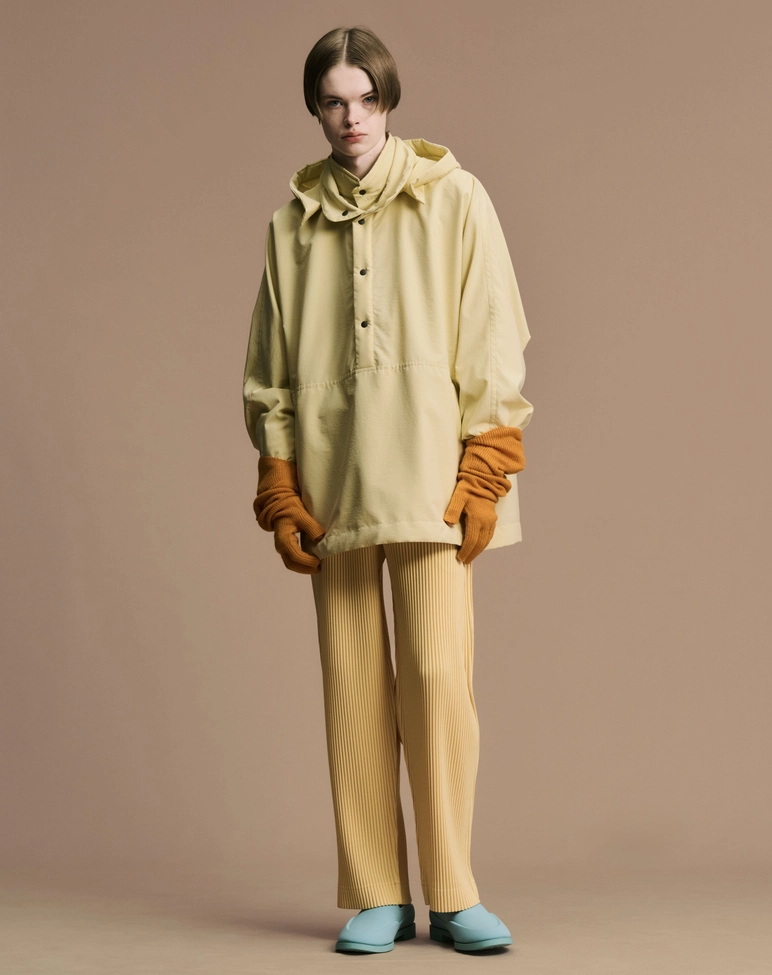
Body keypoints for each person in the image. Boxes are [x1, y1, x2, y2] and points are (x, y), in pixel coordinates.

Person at [242, 25, 533, 954]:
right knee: (353, 687)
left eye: (366, 99)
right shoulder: (291, 225)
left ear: (389, 101)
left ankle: (452, 891)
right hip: (332, 486)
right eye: (334, 101)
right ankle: (377, 890)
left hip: (435, 483)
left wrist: (485, 467)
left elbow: (494, 338)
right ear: (315, 108)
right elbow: (270, 372)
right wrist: (281, 481)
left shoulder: (454, 197)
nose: (352, 118)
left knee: (439, 682)